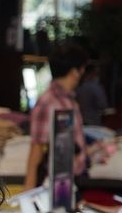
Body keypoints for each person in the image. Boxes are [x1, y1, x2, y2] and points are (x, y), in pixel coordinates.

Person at [23, 41, 88, 190]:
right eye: (83, 68)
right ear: (75, 71)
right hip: (53, 185)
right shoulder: (49, 102)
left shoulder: (69, 101)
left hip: (70, 181)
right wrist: (28, 192)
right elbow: (37, 148)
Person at [75, 62, 107, 127]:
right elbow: (102, 104)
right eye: (97, 73)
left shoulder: (78, 86)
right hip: (93, 123)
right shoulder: (95, 87)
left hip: (80, 121)